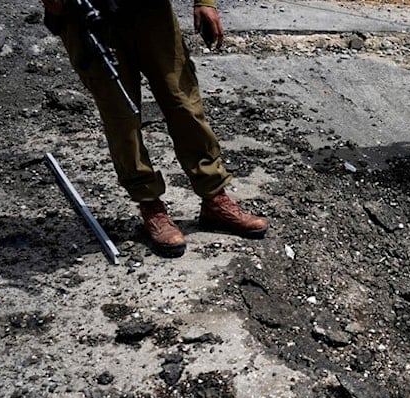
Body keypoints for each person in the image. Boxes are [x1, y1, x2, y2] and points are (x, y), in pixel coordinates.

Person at [41, 0, 269, 258]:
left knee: (184, 103)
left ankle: (214, 198)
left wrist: (204, 2)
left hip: (151, 12)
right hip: (86, 16)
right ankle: (151, 206)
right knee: (121, 117)